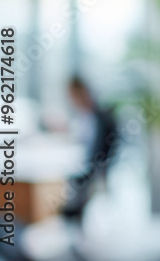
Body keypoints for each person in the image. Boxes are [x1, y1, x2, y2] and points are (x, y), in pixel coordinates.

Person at [60, 75, 119, 220]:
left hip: (93, 171)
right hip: (84, 170)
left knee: (85, 210)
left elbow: (106, 145)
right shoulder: (83, 116)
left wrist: (100, 168)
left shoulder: (100, 116)